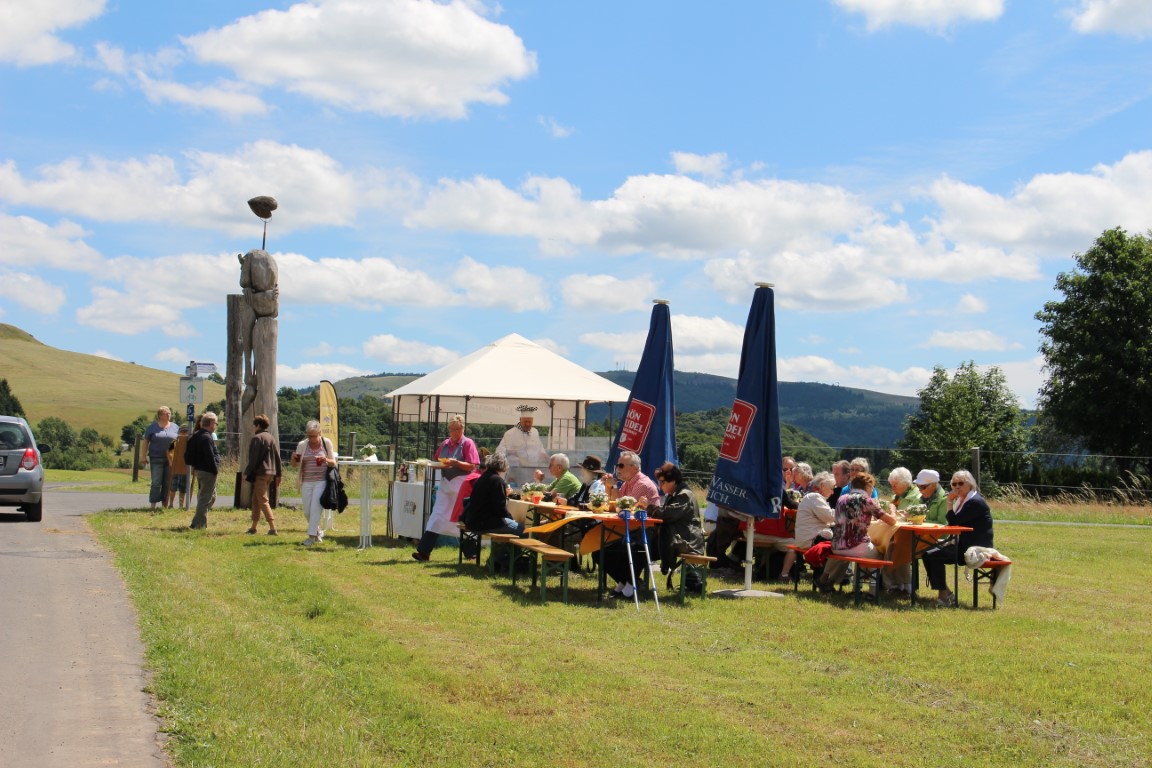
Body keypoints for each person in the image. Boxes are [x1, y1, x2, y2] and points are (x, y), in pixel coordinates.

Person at [412, 415, 480, 561]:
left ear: (462, 428)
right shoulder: (445, 444)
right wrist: (437, 463)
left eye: (457, 429)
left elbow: (472, 465)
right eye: (452, 429)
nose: (455, 432)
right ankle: (424, 552)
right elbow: (438, 459)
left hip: (462, 483)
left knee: (461, 517)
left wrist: (456, 463)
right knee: (437, 515)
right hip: (445, 483)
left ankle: (471, 553)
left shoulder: (468, 443)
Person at [922, 470, 994, 607]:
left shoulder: (975, 502)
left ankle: (945, 596)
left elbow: (954, 522)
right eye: (954, 484)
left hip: (975, 549)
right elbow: (954, 524)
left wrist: (949, 501)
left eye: (960, 483)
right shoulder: (963, 501)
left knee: (932, 555)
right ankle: (946, 593)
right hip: (963, 545)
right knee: (927, 553)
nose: (956, 487)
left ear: (970, 484)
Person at [816, 472, 897, 592]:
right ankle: (872, 591)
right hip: (857, 546)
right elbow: (891, 521)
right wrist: (893, 510)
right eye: (872, 487)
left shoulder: (841, 499)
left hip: (837, 545)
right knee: (878, 553)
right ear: (868, 487)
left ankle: (828, 580)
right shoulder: (866, 500)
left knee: (845, 556)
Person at [603, 451, 661, 598]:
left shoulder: (642, 484)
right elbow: (611, 505)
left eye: (621, 465)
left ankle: (630, 584)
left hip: (646, 534)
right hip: (631, 530)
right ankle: (627, 581)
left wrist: (614, 487)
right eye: (617, 465)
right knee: (601, 552)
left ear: (634, 468)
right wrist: (608, 487)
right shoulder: (628, 483)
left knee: (608, 551)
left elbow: (621, 508)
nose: (618, 469)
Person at [646, 462, 705, 585]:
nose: (660, 485)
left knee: (644, 546)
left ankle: (632, 582)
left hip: (688, 540)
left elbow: (668, 514)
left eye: (663, 482)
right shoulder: (674, 494)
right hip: (679, 534)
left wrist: (649, 507)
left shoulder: (684, 495)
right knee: (643, 544)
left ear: (673, 481)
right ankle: (634, 580)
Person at [779, 469, 835, 580]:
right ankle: (829, 579)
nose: (833, 492)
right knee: (842, 547)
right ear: (823, 485)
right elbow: (829, 516)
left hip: (806, 538)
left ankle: (827, 578)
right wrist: (843, 512)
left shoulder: (813, 497)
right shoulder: (815, 498)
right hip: (811, 539)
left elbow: (827, 518)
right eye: (832, 488)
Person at [455, 452, 524, 537]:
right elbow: (500, 509)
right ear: (504, 466)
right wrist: (511, 519)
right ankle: (508, 551)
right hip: (485, 523)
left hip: (472, 521)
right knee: (523, 531)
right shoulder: (497, 480)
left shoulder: (482, 478)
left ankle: (503, 550)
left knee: (511, 526)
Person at [291, 420, 336, 547]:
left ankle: (310, 538)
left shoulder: (326, 443)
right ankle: (317, 531)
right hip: (306, 480)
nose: (312, 439)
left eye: (314, 436)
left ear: (319, 433)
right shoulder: (302, 445)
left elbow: (333, 463)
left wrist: (325, 459)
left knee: (315, 508)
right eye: (309, 436)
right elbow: (295, 465)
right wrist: (293, 458)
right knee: (307, 511)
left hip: (321, 480)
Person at [881, 467, 921, 595]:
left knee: (895, 548)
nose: (892, 488)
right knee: (883, 545)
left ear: (905, 483)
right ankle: (896, 584)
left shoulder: (916, 496)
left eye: (895, 485)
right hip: (896, 532)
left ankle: (900, 585)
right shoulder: (896, 496)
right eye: (891, 485)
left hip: (912, 535)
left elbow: (913, 516)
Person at [243, 414, 282, 536]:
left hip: (260, 473)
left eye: (254, 425)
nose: (254, 428)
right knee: (256, 499)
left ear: (258, 425)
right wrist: (279, 474)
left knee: (263, 500)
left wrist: (247, 472)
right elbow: (277, 457)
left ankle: (272, 527)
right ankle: (253, 527)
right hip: (271, 472)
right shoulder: (271, 438)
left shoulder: (257, 438)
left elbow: (253, 459)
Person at [184, 411, 220, 529]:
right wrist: (215, 469)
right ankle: (199, 525)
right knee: (205, 498)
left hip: (199, 469)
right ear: (211, 423)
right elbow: (210, 456)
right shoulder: (206, 437)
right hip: (208, 471)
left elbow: (188, 456)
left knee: (211, 496)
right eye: (216, 423)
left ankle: (197, 520)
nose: (216, 426)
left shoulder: (196, 435)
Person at [494, 414, 550, 486]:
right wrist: (510, 451)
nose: (527, 424)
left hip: (532, 471)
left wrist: (547, 457)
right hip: (516, 471)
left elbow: (540, 448)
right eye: (525, 421)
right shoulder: (510, 434)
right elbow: (499, 452)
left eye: (530, 422)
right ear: (520, 420)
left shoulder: (535, 432)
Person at [142, 406, 179, 511]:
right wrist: (143, 456)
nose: (169, 414)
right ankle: (153, 505)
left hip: (171, 460)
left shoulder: (175, 427)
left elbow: (177, 442)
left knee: (167, 482)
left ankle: (165, 504)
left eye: (169, 413)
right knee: (156, 482)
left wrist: (173, 453)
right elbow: (145, 442)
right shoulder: (152, 427)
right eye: (166, 413)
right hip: (156, 458)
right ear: (160, 415)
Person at [167, 425, 190, 509]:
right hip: (175, 467)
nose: (184, 433)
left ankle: (181, 505)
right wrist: (170, 462)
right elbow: (168, 452)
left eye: (185, 432)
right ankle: (171, 504)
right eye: (182, 431)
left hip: (185, 468)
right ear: (179, 432)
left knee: (182, 489)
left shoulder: (189, 442)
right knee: (172, 488)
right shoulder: (174, 442)